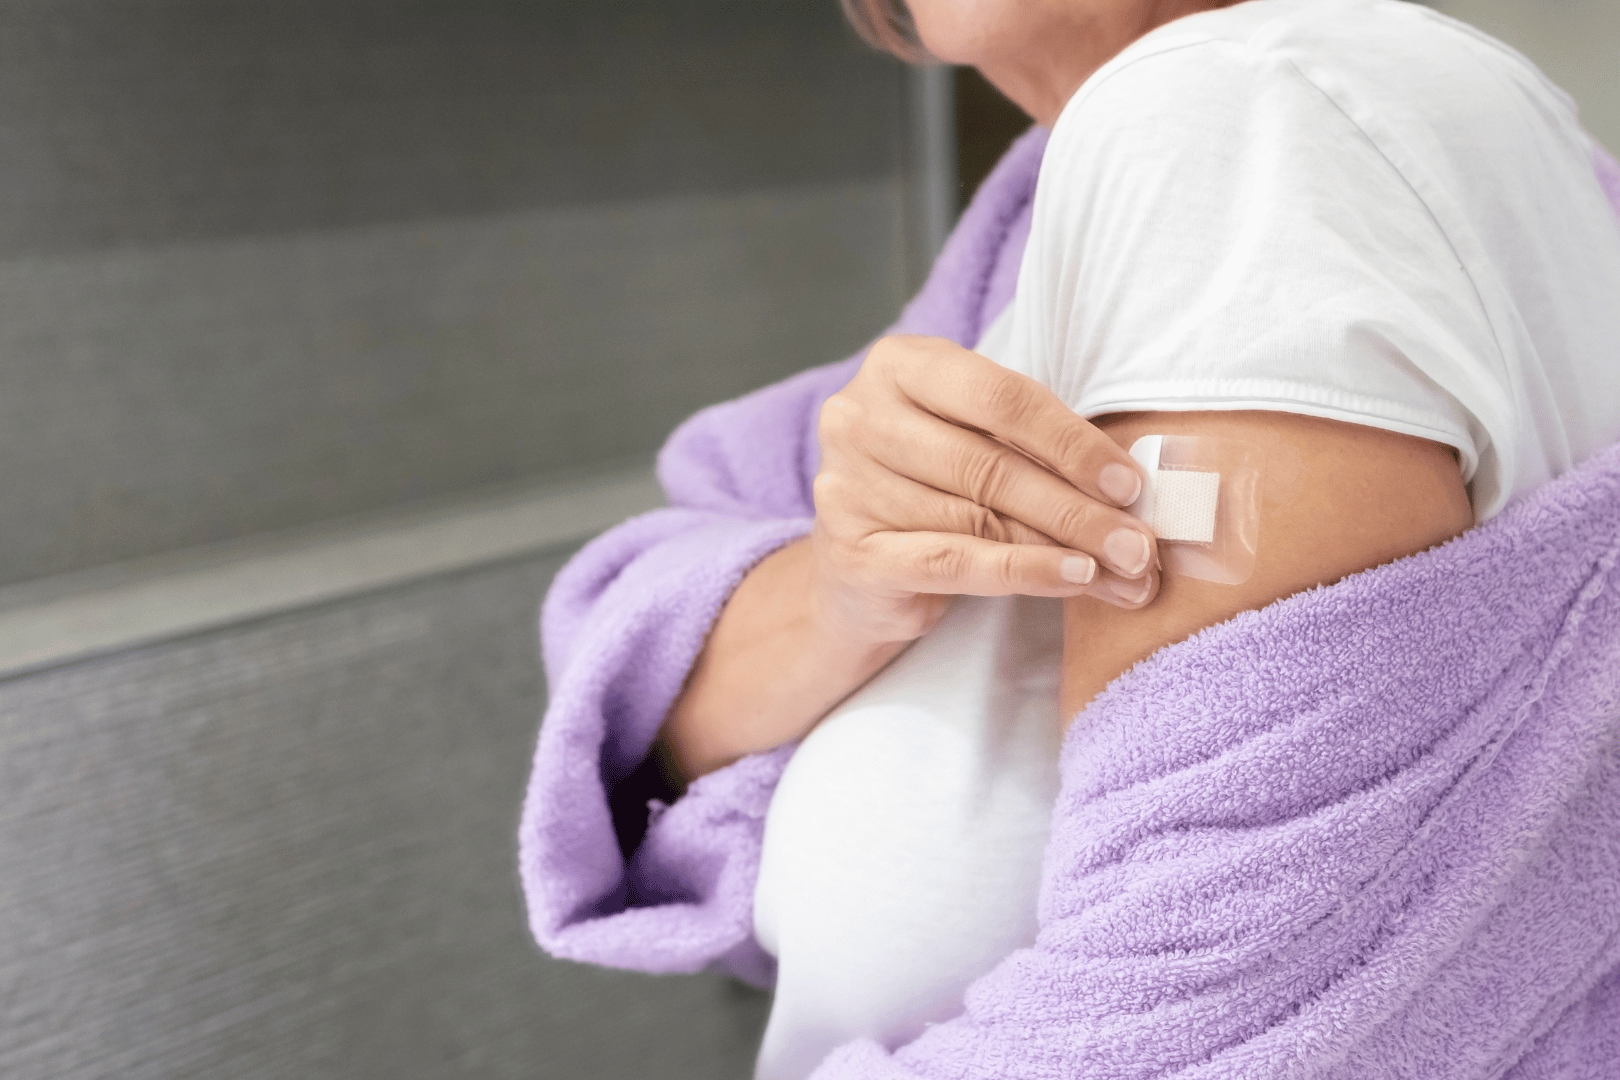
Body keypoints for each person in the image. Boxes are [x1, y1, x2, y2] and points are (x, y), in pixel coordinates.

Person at [524, 1, 1620, 1077]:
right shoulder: (1040, 234)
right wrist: (831, 595)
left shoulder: (1247, 120)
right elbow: (654, 671)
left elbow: (1203, 1006)